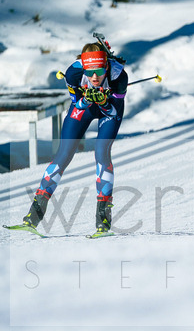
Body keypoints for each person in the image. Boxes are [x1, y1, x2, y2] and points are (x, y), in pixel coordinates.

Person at [18, 42, 128, 235]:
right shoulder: (73, 74)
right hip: (83, 108)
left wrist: (103, 102)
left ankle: (103, 219)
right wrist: (86, 100)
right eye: (90, 71)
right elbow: (76, 102)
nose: (95, 77)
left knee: (102, 153)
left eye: (100, 70)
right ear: (83, 66)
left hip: (109, 110)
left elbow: (113, 109)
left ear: (107, 66)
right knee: (63, 155)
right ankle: (33, 216)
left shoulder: (119, 76)